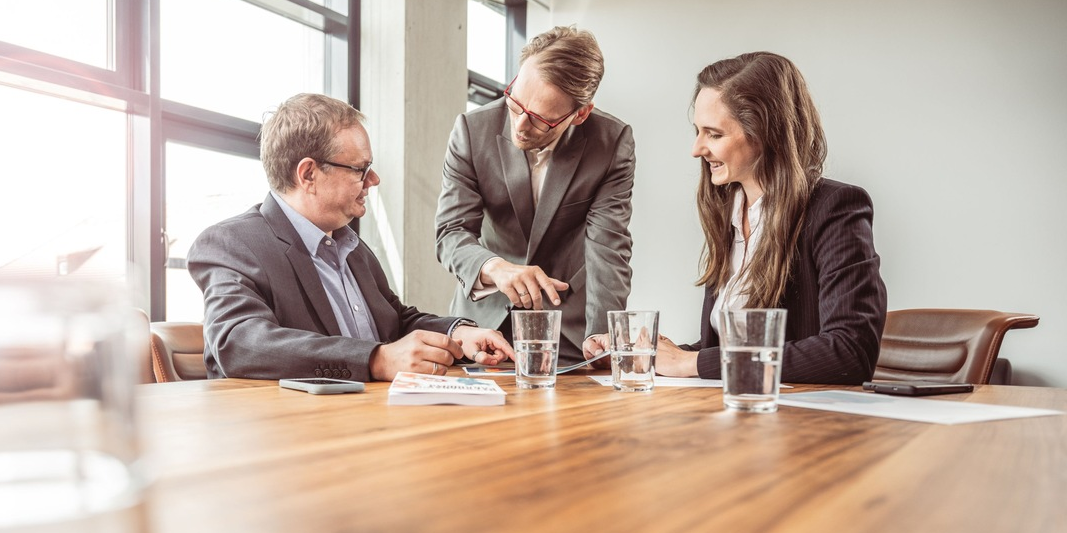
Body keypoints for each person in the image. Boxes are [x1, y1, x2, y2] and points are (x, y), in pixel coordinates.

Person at [585, 52, 887, 384]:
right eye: (697, 131)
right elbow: (731, 350)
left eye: (713, 134)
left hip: (804, 422)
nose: (696, 149)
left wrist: (691, 362)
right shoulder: (729, 211)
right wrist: (642, 356)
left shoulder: (835, 208)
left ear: (764, 134)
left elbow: (849, 352)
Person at [188, 93, 514, 382]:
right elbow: (239, 343)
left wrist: (458, 333)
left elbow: (395, 321)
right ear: (308, 174)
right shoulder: (232, 244)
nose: (373, 179)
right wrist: (375, 360)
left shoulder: (350, 246)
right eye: (360, 168)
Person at [434, 25, 635, 363]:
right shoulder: (471, 131)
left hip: (569, 334)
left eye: (540, 119)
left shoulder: (611, 143)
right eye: (515, 103)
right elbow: (450, 233)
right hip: (482, 328)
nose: (520, 126)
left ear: (580, 114)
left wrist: (603, 336)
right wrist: (496, 268)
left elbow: (608, 247)